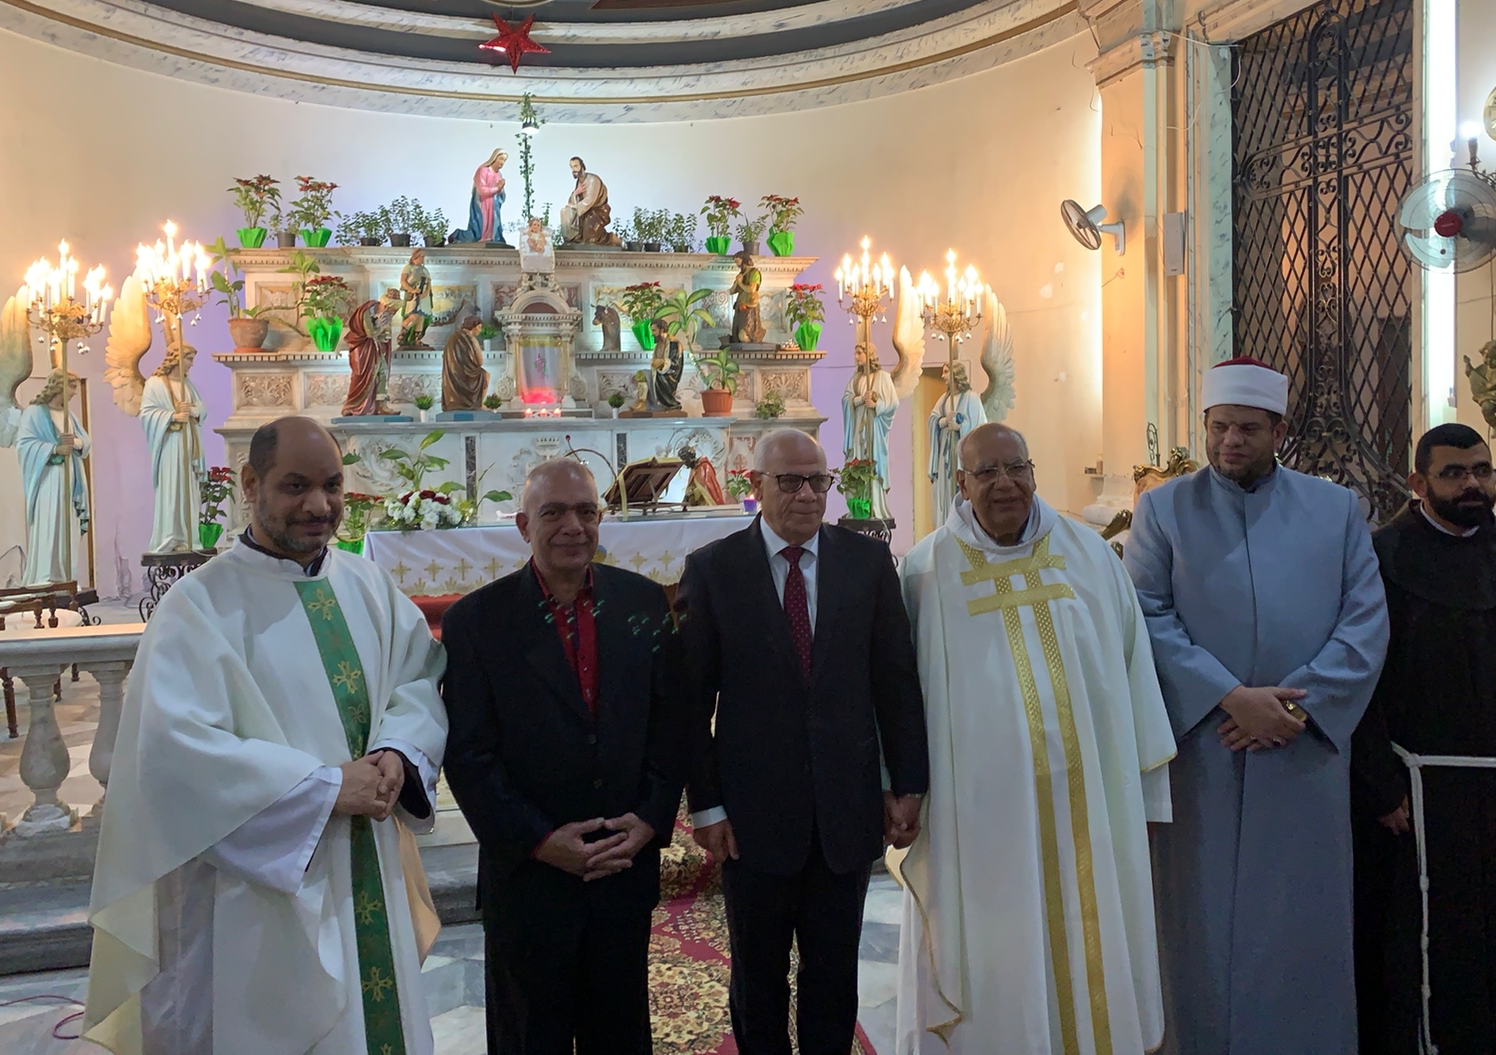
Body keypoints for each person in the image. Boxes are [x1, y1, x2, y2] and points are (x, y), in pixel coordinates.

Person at [84, 416, 447, 1055]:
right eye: (295, 486)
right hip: (253, 892)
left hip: (368, 860)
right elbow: (173, 755)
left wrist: (397, 750)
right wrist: (325, 789)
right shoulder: (197, 608)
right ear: (251, 484)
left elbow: (416, 681)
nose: (319, 505)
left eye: (332, 485)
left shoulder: (367, 585)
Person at [1122, 356, 1388, 1055]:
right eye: (1218, 427)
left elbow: (1365, 622)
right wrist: (1229, 696)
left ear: (1279, 430)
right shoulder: (1164, 509)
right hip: (1204, 749)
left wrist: (1297, 709)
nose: (1229, 441)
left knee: (1300, 920)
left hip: (1302, 751)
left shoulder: (1335, 510)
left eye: (1246, 428)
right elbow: (1143, 615)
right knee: (1198, 921)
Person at [897, 422, 1176, 1053]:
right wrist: (903, 793)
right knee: (999, 955)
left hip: (1093, 806)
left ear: (1032, 471)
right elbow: (901, 695)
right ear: (961, 483)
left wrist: (1146, 794)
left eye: (1015, 468)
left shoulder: (1091, 557)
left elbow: (1134, 670)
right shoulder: (926, 572)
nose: (1004, 484)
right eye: (986, 472)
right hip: (981, 819)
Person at [677, 428, 930, 1055]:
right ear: (756, 485)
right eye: (790, 482)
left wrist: (907, 783)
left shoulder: (867, 563)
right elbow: (690, 702)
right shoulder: (713, 570)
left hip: (846, 808)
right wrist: (706, 806)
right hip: (754, 814)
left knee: (834, 977)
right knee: (758, 978)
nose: (808, 495)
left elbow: (895, 681)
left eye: (818, 481)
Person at [443, 459, 684, 1054]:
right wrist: (540, 840)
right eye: (553, 513)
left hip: (622, 863)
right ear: (524, 525)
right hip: (531, 878)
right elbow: (469, 754)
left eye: (585, 511)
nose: (572, 526)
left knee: (620, 1034)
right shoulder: (476, 621)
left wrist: (651, 819)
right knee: (531, 1037)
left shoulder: (645, 601)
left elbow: (671, 723)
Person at [1352, 423, 1496, 1055]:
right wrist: (1379, 784)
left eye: (1481, 470)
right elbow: (1360, 681)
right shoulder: (1382, 560)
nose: (1472, 483)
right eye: (1454, 473)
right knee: (1423, 948)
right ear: (1418, 483)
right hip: (1419, 800)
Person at [16, 369, 90, 586]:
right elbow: (24, 445)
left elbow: (85, 442)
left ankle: (66, 575)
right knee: (50, 522)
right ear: (59, 385)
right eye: (71, 386)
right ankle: (46, 576)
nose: (74, 392)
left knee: (68, 525)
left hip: (71, 478)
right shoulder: (34, 412)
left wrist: (74, 443)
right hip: (49, 479)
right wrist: (54, 449)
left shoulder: (69, 415)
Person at [141, 343, 207, 554]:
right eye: (189, 359)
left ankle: (189, 537)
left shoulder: (188, 385)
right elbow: (147, 413)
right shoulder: (155, 384)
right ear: (177, 359)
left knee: (189, 488)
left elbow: (202, 409)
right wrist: (172, 416)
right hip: (170, 444)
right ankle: (170, 536)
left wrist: (194, 411)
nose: (192, 364)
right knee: (172, 487)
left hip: (189, 443)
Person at [839, 342, 898, 521]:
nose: (856, 356)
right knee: (856, 462)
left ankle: (874, 508)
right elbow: (846, 399)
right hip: (858, 430)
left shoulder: (883, 377)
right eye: (855, 353)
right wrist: (858, 400)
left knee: (872, 464)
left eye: (859, 353)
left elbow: (893, 403)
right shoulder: (856, 379)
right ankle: (858, 507)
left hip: (873, 430)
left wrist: (876, 405)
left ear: (869, 354)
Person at [926, 361, 985, 527]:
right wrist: (944, 421)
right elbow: (933, 419)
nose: (942, 376)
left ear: (955, 374)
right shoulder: (944, 399)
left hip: (961, 453)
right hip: (945, 454)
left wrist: (961, 427)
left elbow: (980, 427)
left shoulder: (972, 399)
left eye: (946, 372)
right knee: (946, 490)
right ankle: (947, 524)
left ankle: (963, 524)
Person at [343, 292, 400, 416]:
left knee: (383, 372)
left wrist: (385, 336)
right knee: (363, 376)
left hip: (376, 347)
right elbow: (370, 333)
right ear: (386, 306)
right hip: (362, 348)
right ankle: (352, 406)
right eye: (393, 311)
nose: (393, 314)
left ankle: (381, 405)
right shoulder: (367, 311)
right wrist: (379, 327)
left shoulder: (385, 315)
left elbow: (384, 334)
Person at [558, 158, 619, 246]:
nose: (573, 169)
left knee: (590, 238)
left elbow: (589, 200)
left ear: (582, 166)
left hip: (597, 212)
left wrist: (576, 207)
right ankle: (571, 239)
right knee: (565, 212)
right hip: (583, 212)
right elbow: (573, 201)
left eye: (576, 166)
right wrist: (575, 193)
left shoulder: (593, 179)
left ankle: (609, 238)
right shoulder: (579, 182)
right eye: (571, 167)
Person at [442, 312, 490, 412]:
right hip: (467, 375)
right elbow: (480, 361)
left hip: (452, 375)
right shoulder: (471, 338)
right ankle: (478, 404)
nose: (480, 330)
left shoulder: (453, 337)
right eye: (479, 327)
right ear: (473, 326)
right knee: (485, 375)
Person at [467, 149, 508, 244]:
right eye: (501, 159)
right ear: (494, 158)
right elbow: (481, 190)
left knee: (494, 225)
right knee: (482, 225)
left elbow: (501, 196)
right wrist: (497, 188)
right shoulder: (483, 171)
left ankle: (492, 238)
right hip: (483, 203)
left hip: (494, 205)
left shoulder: (499, 174)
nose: (502, 162)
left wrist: (501, 189)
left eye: (504, 160)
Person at [399, 251, 434, 348]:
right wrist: (412, 290)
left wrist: (426, 293)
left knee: (421, 318)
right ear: (415, 257)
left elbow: (429, 283)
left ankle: (417, 340)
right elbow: (403, 281)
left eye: (423, 257)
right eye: (421, 257)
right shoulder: (408, 268)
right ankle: (402, 335)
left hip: (424, 296)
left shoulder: (424, 270)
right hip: (413, 295)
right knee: (413, 316)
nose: (422, 259)